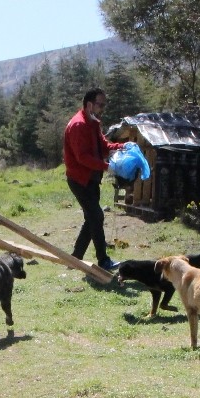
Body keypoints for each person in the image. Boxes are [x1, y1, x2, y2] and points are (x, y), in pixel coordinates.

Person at [63, 87, 121, 271]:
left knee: (92, 218)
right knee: (96, 215)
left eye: (105, 104)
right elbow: (82, 157)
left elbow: (103, 146)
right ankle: (103, 260)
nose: (103, 108)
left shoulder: (94, 123)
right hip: (80, 180)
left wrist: (121, 147)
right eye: (100, 104)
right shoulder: (78, 125)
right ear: (89, 105)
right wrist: (107, 166)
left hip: (92, 179)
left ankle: (75, 258)